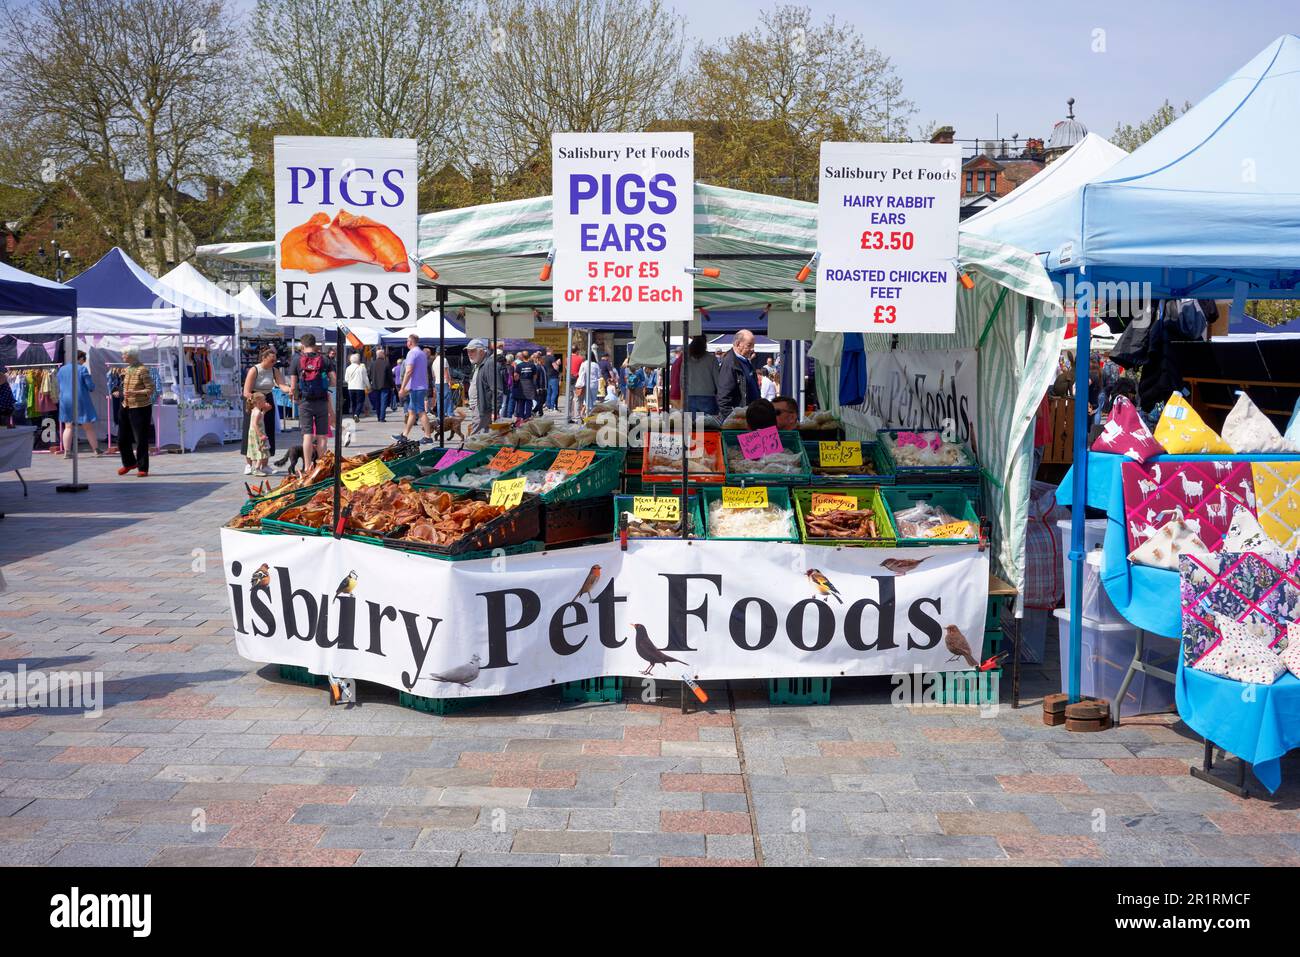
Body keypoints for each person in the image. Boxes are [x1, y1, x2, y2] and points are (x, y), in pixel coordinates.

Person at [288, 333, 336, 472]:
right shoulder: (325, 359)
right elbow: (333, 380)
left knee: (307, 435)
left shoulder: (297, 359)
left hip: (305, 402)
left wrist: (295, 397)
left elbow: (293, 385)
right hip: (321, 401)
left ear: (302, 345)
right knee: (322, 436)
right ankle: (321, 466)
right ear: (315, 345)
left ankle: (308, 467)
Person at [241, 346, 284, 474]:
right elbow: (246, 392)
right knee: (251, 432)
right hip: (254, 400)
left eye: (275, 360)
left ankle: (264, 464)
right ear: (264, 359)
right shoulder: (254, 370)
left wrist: (290, 390)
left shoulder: (274, 370)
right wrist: (258, 404)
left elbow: (281, 385)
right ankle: (249, 464)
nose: (274, 362)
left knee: (268, 431)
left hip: (267, 398)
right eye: (271, 360)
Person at [115, 345, 154, 477]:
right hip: (125, 406)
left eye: (124, 355)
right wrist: (118, 392)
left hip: (140, 408)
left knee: (141, 438)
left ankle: (143, 467)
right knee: (121, 438)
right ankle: (129, 463)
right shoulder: (126, 370)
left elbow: (150, 390)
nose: (122, 357)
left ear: (131, 355)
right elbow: (123, 387)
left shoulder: (142, 370)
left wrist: (135, 392)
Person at [57, 350, 99, 458]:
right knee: (87, 426)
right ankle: (96, 449)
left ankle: (67, 451)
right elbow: (90, 386)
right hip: (80, 399)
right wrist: (92, 386)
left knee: (68, 426)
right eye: (84, 360)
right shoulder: (82, 369)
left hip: (65, 400)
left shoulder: (61, 369)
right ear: (80, 359)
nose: (84, 362)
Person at [716, 329, 760, 423]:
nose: (752, 349)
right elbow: (723, 397)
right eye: (749, 345)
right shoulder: (730, 363)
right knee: (768, 437)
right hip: (740, 422)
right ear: (737, 344)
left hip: (750, 418)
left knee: (770, 436)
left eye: (753, 345)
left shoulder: (745, 361)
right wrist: (735, 421)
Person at [396, 333, 431, 441]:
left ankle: (428, 436)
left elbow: (409, 371)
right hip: (421, 386)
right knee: (412, 412)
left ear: (410, 342)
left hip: (416, 387)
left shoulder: (412, 353)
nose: (407, 343)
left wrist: (402, 388)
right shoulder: (421, 353)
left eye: (407, 341)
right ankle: (404, 435)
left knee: (420, 411)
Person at [465, 338, 499, 433]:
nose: (469, 354)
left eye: (472, 351)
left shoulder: (489, 364)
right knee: (483, 437)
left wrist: (494, 410)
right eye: (468, 351)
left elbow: (496, 389)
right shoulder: (478, 364)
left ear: (481, 351)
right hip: (478, 407)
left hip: (482, 408)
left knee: (475, 438)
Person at [683, 334, 721, 417]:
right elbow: (718, 380)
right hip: (708, 397)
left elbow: (682, 381)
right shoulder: (712, 359)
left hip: (690, 396)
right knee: (708, 427)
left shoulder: (686, 359)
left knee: (692, 427)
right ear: (705, 344)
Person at [245, 393, 272, 476]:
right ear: (258, 402)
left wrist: (265, 411)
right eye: (264, 400)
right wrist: (261, 435)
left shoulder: (255, 410)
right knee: (262, 450)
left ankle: (257, 468)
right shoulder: (257, 413)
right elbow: (255, 424)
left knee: (259, 451)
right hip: (258, 434)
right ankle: (256, 468)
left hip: (254, 434)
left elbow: (260, 418)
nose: (265, 402)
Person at [368, 347, 394, 423]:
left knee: (377, 402)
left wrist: (370, 382)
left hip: (375, 386)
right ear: (382, 354)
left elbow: (369, 375)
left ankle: (379, 416)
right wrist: (392, 385)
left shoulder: (372, 364)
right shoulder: (386, 363)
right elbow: (390, 376)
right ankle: (382, 418)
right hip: (385, 385)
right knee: (383, 402)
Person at [344, 352, 369, 417]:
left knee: (353, 402)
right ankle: (356, 414)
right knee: (360, 402)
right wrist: (368, 386)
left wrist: (350, 382)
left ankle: (353, 415)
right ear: (358, 360)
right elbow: (365, 378)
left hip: (351, 387)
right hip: (360, 387)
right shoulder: (361, 368)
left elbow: (346, 379)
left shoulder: (348, 368)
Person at [515, 350, 537, 421]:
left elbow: (516, 377)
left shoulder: (519, 366)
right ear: (529, 356)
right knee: (529, 401)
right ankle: (527, 416)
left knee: (521, 401)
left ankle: (521, 417)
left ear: (522, 357)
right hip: (530, 383)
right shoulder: (532, 365)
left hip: (521, 384)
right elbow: (535, 376)